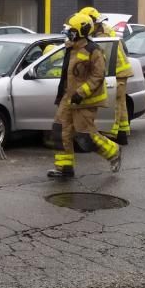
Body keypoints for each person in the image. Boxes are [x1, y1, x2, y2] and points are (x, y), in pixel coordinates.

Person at [47, 13, 122, 179]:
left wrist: (81, 93)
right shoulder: (70, 48)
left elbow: (98, 76)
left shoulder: (93, 51)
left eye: (70, 30)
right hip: (68, 99)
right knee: (60, 131)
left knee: (85, 136)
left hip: (85, 101)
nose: (67, 32)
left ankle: (113, 152)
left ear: (79, 31)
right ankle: (64, 167)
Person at [81, 6, 134, 145]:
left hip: (118, 72)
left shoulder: (102, 36)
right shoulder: (104, 29)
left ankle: (113, 134)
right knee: (121, 104)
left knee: (115, 105)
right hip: (121, 71)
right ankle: (122, 134)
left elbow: (102, 58)